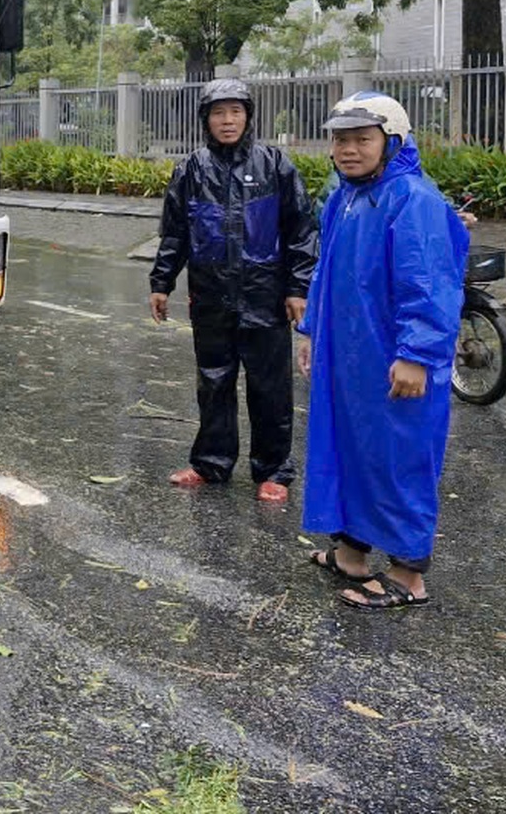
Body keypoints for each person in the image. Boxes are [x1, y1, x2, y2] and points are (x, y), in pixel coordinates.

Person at [298, 92, 468, 612]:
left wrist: (418, 353)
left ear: (392, 141)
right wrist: (310, 329)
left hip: (397, 359)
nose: (349, 150)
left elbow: (430, 283)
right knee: (350, 448)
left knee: (398, 457)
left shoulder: (411, 200)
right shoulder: (344, 198)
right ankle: (351, 552)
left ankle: (407, 574)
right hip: (349, 357)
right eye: (341, 140)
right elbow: (326, 273)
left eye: (362, 140)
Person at [149, 78, 318, 503]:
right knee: (213, 381)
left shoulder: (275, 165)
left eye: (236, 112)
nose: (228, 121)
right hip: (211, 295)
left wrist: (298, 287)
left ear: (248, 116)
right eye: (219, 113)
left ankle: (274, 469)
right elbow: (175, 233)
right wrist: (161, 283)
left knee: (270, 387)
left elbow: (300, 230)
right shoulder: (190, 169)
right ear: (206, 119)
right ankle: (211, 462)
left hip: (264, 293)